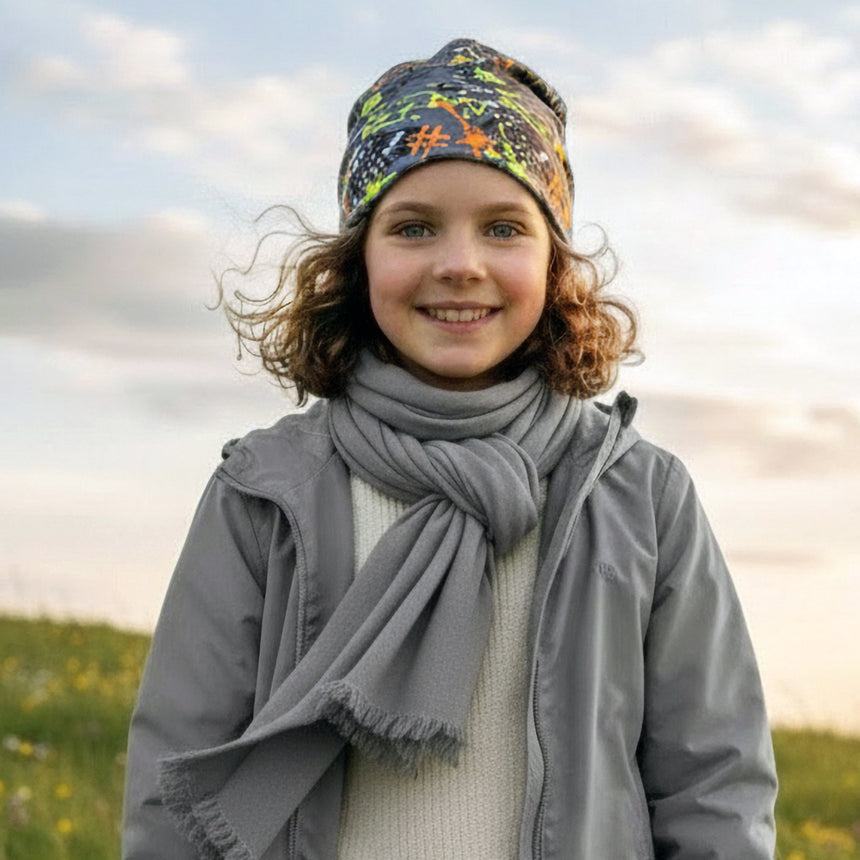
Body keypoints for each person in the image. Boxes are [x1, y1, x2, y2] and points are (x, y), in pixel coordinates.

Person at [122, 39, 778, 859]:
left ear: (554, 263)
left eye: (504, 228)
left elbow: (715, 784)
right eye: (415, 228)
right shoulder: (265, 491)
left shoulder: (641, 495)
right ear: (358, 261)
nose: (460, 265)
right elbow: (173, 779)